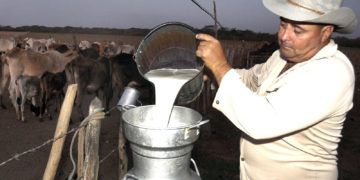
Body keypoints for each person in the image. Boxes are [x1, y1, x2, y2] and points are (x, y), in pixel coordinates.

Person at [195, 0, 358, 179]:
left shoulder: (332, 73)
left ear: (325, 33)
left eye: (297, 30)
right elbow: (251, 79)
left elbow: (261, 122)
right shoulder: (281, 57)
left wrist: (219, 65)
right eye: (283, 24)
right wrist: (214, 75)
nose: (284, 36)